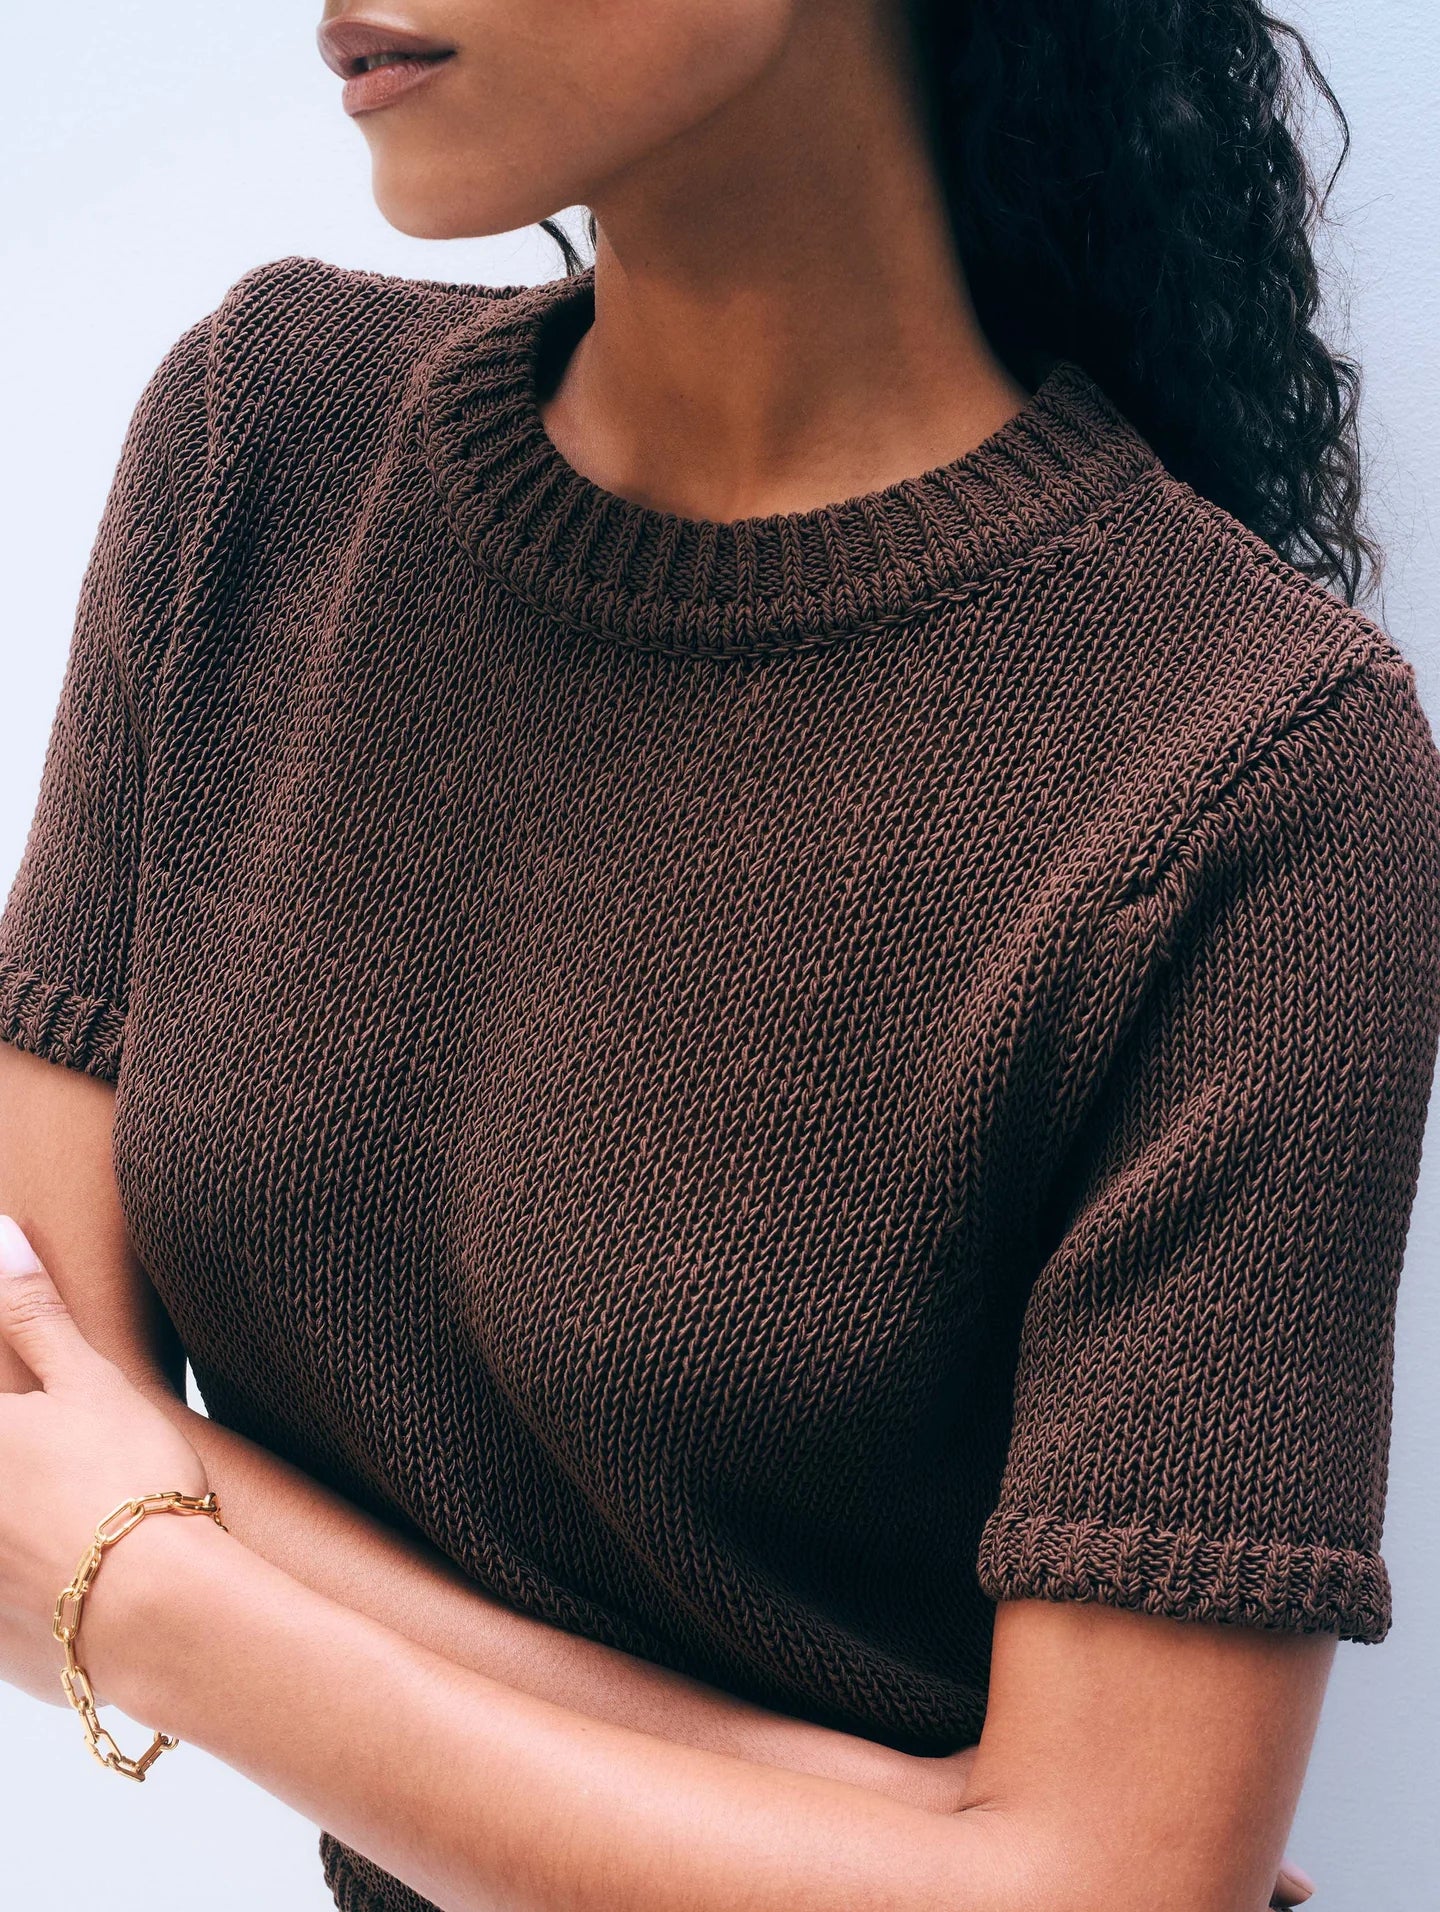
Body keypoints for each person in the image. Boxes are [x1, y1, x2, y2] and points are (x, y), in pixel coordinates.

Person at [1, 3, 1436, 1908]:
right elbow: (32, 1424)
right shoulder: (262, 444)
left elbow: (1120, 1891)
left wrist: (160, 1595)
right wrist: (937, 1833)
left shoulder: (1259, 770)